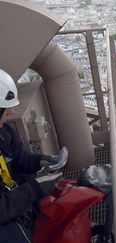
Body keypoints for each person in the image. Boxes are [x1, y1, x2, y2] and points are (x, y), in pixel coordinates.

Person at [0, 69, 67, 243]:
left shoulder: (4, 132)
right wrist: (34, 189)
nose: (12, 112)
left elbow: (17, 158)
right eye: (6, 107)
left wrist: (42, 161)